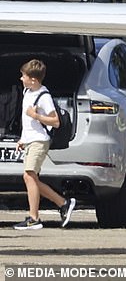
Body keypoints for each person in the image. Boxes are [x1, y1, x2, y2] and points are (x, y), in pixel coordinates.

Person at [14, 59, 76, 230]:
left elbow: (55, 121)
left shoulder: (44, 96)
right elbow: (26, 122)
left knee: (29, 175)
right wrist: (23, 139)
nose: (21, 79)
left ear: (33, 79)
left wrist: (36, 116)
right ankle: (63, 203)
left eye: (23, 76)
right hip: (31, 140)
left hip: (39, 140)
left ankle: (34, 218)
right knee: (31, 178)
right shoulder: (28, 92)